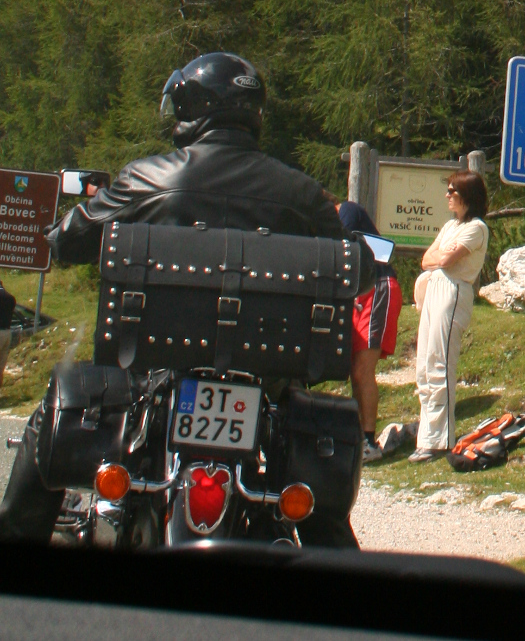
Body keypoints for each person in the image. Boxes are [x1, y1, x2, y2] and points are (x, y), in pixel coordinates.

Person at [0, 52, 361, 547]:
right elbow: (354, 270)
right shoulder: (300, 193)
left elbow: (67, 240)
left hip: (153, 370)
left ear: (193, 107)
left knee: (53, 415)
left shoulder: (150, 177)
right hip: (267, 380)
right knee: (317, 510)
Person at [409, 170, 488, 463]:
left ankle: (440, 439)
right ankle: (426, 437)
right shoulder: (449, 226)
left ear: (466, 195)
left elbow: (445, 260)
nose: (447, 196)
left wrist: (442, 256)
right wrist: (441, 255)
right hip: (434, 287)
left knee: (440, 363)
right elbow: (428, 258)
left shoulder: (476, 228)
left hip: (453, 291)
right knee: (425, 364)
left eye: (452, 191)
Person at [334, 199, 403, 463]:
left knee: (363, 368)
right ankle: (358, 436)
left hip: (377, 285)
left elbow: (344, 244)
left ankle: (368, 441)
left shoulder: (346, 210)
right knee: (355, 369)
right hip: (360, 292)